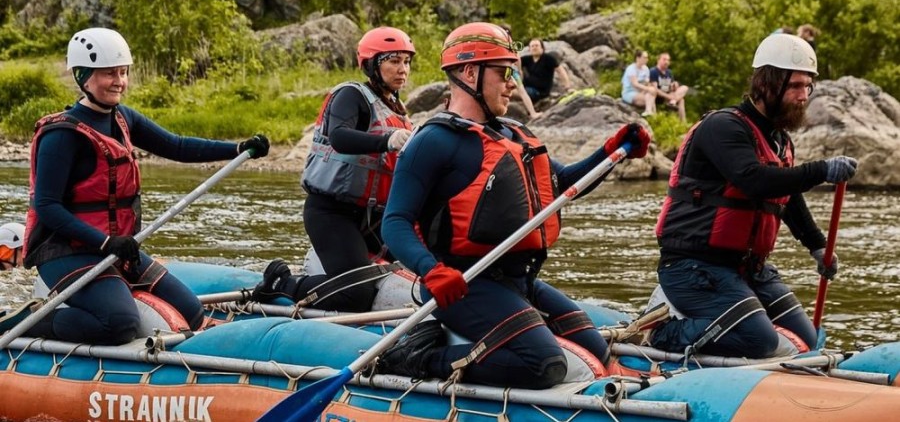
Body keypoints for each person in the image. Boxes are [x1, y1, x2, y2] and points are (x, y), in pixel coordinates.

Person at [377, 22, 651, 389]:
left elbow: (563, 184)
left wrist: (611, 154)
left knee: (596, 350)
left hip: (519, 280)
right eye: (505, 72)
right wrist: (431, 270)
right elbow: (394, 221)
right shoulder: (434, 140)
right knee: (544, 364)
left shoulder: (512, 134)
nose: (512, 83)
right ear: (470, 72)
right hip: (463, 284)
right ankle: (419, 357)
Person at [0, 27, 270, 342]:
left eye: (123, 72)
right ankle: (32, 320)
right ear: (84, 77)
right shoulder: (62, 136)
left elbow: (177, 146)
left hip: (116, 248)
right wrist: (104, 242)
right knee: (119, 324)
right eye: (109, 74)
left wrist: (237, 149)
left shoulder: (123, 117)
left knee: (192, 312)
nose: (119, 81)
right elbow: (47, 207)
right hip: (66, 253)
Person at [650, 33, 857, 359]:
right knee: (759, 340)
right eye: (795, 86)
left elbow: (784, 195)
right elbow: (754, 181)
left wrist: (817, 246)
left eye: (808, 87)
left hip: (749, 268)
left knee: (808, 338)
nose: (804, 96)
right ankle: (661, 332)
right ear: (767, 84)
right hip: (694, 267)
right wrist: (821, 171)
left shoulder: (780, 141)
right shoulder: (723, 127)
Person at [251, 27, 415, 312]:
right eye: (393, 61)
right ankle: (282, 283)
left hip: (373, 219)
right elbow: (339, 137)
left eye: (407, 61)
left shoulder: (397, 110)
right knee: (356, 296)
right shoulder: (351, 95)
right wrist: (387, 140)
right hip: (331, 213)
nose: (403, 69)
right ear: (372, 65)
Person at [520, 38, 573, 104]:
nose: (534, 48)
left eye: (536, 46)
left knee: (513, 92)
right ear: (529, 49)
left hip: (539, 92)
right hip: (526, 87)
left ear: (542, 48)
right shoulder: (527, 59)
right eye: (532, 46)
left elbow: (561, 71)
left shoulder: (548, 59)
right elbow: (513, 61)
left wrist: (568, 87)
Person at [649, 52, 690, 122]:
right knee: (680, 99)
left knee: (685, 88)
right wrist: (668, 96)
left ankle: (683, 122)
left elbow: (671, 88)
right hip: (658, 97)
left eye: (668, 60)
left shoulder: (669, 72)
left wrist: (675, 86)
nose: (666, 62)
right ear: (658, 60)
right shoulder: (653, 71)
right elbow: (655, 89)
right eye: (664, 59)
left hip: (669, 95)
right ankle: (672, 102)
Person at [621, 50, 656, 116]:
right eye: (644, 57)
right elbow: (635, 84)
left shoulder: (646, 69)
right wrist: (648, 89)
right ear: (638, 58)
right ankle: (649, 112)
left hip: (641, 92)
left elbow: (647, 82)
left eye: (647, 58)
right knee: (649, 97)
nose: (646, 59)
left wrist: (648, 89)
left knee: (651, 93)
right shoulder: (631, 69)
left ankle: (651, 114)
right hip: (629, 92)